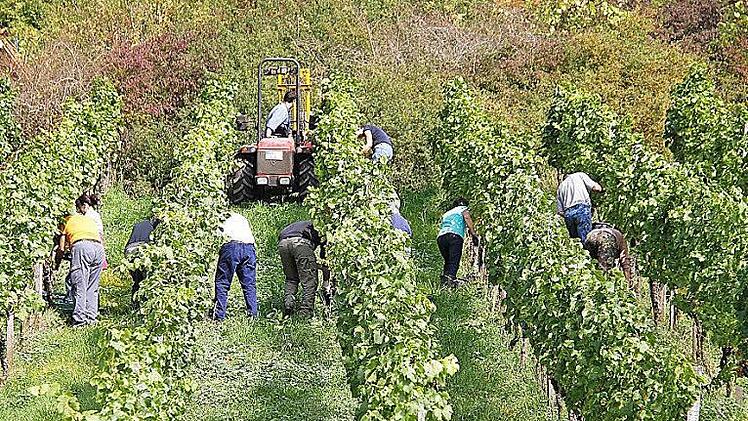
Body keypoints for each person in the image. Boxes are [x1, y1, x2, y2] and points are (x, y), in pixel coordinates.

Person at [58, 202, 104, 326]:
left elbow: (61, 248)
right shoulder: (86, 219)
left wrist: (57, 263)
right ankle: (91, 318)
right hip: (99, 249)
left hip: (82, 246)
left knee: (80, 284)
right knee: (92, 287)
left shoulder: (65, 220)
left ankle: (79, 320)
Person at [278, 220, 328, 317]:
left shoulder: (305, 224)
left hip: (283, 243)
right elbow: (325, 259)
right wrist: (326, 281)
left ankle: (288, 306)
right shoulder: (324, 229)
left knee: (291, 278)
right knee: (309, 281)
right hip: (301, 243)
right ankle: (305, 312)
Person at [212, 213, 258, 320]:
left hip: (231, 246)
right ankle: (253, 315)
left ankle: (219, 316)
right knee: (249, 284)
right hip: (249, 247)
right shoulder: (241, 217)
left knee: (222, 283)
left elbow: (216, 236)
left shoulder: (221, 217)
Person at [436, 198, 477, 288]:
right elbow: (466, 217)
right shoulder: (463, 209)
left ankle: (444, 283)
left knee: (448, 261)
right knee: (454, 261)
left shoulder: (448, 213)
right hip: (454, 236)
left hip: (441, 237)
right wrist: (473, 234)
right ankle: (450, 284)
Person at [556, 172, 602, 243]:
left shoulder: (560, 187)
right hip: (582, 208)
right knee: (586, 239)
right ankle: (588, 253)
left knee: (576, 243)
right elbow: (596, 188)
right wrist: (600, 187)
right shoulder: (579, 175)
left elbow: (560, 212)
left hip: (568, 213)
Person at [584, 222, 633, 287]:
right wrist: (628, 280)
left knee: (590, 265)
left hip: (590, 236)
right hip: (606, 238)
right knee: (604, 270)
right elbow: (624, 259)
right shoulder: (620, 237)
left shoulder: (604, 230)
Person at [124, 217, 160, 300]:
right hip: (142, 249)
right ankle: (142, 302)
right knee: (145, 279)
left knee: (137, 279)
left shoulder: (140, 224)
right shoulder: (156, 227)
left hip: (129, 250)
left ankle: (135, 303)